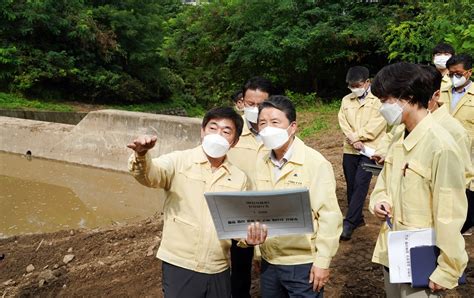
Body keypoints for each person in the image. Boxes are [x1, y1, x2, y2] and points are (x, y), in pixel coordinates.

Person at [127, 107, 267, 298]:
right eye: (213, 128)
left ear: (234, 142)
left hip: (218, 267)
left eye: (226, 131)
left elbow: (238, 223)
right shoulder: (179, 161)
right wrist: (142, 155)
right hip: (180, 264)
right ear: (202, 131)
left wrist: (248, 240)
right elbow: (150, 175)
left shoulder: (239, 178)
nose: (218, 135)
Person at [369, 62, 468, 296]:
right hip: (393, 253)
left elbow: (450, 213)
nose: (382, 107)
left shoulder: (440, 146)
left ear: (409, 97)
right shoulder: (399, 138)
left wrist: (447, 268)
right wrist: (380, 201)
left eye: (385, 100)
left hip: (423, 260)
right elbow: (384, 184)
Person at [254, 95, 342, 297]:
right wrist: (258, 253)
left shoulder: (314, 163)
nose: (268, 128)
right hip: (269, 260)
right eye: (263, 123)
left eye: (275, 122)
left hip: (302, 263)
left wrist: (322, 262)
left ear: (292, 127)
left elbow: (329, 216)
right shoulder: (260, 161)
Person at [227, 76, 273, 298]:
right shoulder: (231, 133)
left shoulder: (277, 134)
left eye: (261, 104)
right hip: (241, 214)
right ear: (242, 103)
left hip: (272, 210)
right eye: (250, 104)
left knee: (273, 271)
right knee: (240, 273)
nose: (255, 109)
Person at [338, 66, 387, 240]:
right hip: (350, 149)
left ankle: (349, 223)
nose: (354, 89)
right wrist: (353, 139)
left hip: (370, 150)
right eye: (351, 86)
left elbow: (378, 124)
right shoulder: (346, 100)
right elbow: (342, 121)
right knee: (351, 184)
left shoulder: (379, 100)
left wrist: (358, 137)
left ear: (367, 82)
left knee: (361, 184)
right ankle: (357, 218)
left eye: (357, 85)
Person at [440, 54, 474, 234]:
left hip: (468, 158)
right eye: (451, 74)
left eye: (458, 73)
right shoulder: (441, 93)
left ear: (469, 72)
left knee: (468, 206)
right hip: (443, 154)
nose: (454, 77)